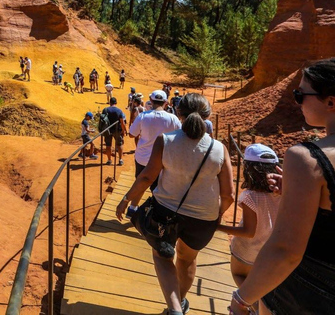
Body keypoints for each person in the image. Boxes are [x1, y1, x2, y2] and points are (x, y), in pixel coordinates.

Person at [229, 58, 335, 315]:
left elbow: (285, 251)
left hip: (308, 292)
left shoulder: (307, 158)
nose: (296, 101)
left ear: (331, 101)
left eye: (300, 94)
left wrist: (242, 299)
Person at [116, 93, 234, 315]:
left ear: (179, 114)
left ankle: (175, 309)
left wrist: (126, 200)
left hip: (164, 211)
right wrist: (215, 215)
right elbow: (228, 195)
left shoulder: (166, 141)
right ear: (208, 116)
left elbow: (146, 178)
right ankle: (180, 301)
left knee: (162, 255)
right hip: (203, 218)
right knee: (187, 260)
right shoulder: (219, 149)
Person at [217, 144, 281, 293]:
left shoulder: (250, 197)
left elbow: (249, 232)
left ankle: (255, 307)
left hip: (247, 250)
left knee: (239, 276)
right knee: (259, 284)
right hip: (268, 251)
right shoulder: (282, 192)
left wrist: (217, 227)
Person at [128, 90, 181, 194]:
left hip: (142, 158)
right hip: (162, 160)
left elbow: (131, 134)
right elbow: (180, 137)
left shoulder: (142, 116)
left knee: (140, 183)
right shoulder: (173, 119)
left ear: (151, 100)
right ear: (166, 102)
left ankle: (133, 207)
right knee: (158, 188)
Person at [102, 97, 127, 166]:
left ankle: (109, 160)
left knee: (108, 145)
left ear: (110, 102)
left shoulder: (105, 110)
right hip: (117, 130)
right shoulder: (119, 111)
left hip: (108, 130)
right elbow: (122, 122)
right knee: (119, 144)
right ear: (116, 103)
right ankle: (120, 160)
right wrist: (124, 130)